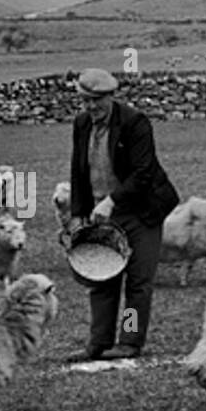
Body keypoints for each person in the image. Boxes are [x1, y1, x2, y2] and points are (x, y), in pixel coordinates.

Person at [65, 68, 180, 361]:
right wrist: (78, 213)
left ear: (110, 96)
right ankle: (98, 343)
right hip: (103, 214)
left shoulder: (134, 122)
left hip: (142, 211)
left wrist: (111, 201)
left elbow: (143, 172)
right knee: (101, 278)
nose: (91, 107)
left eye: (97, 101)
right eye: (86, 101)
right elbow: (78, 172)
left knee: (138, 281)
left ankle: (129, 341)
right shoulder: (81, 124)